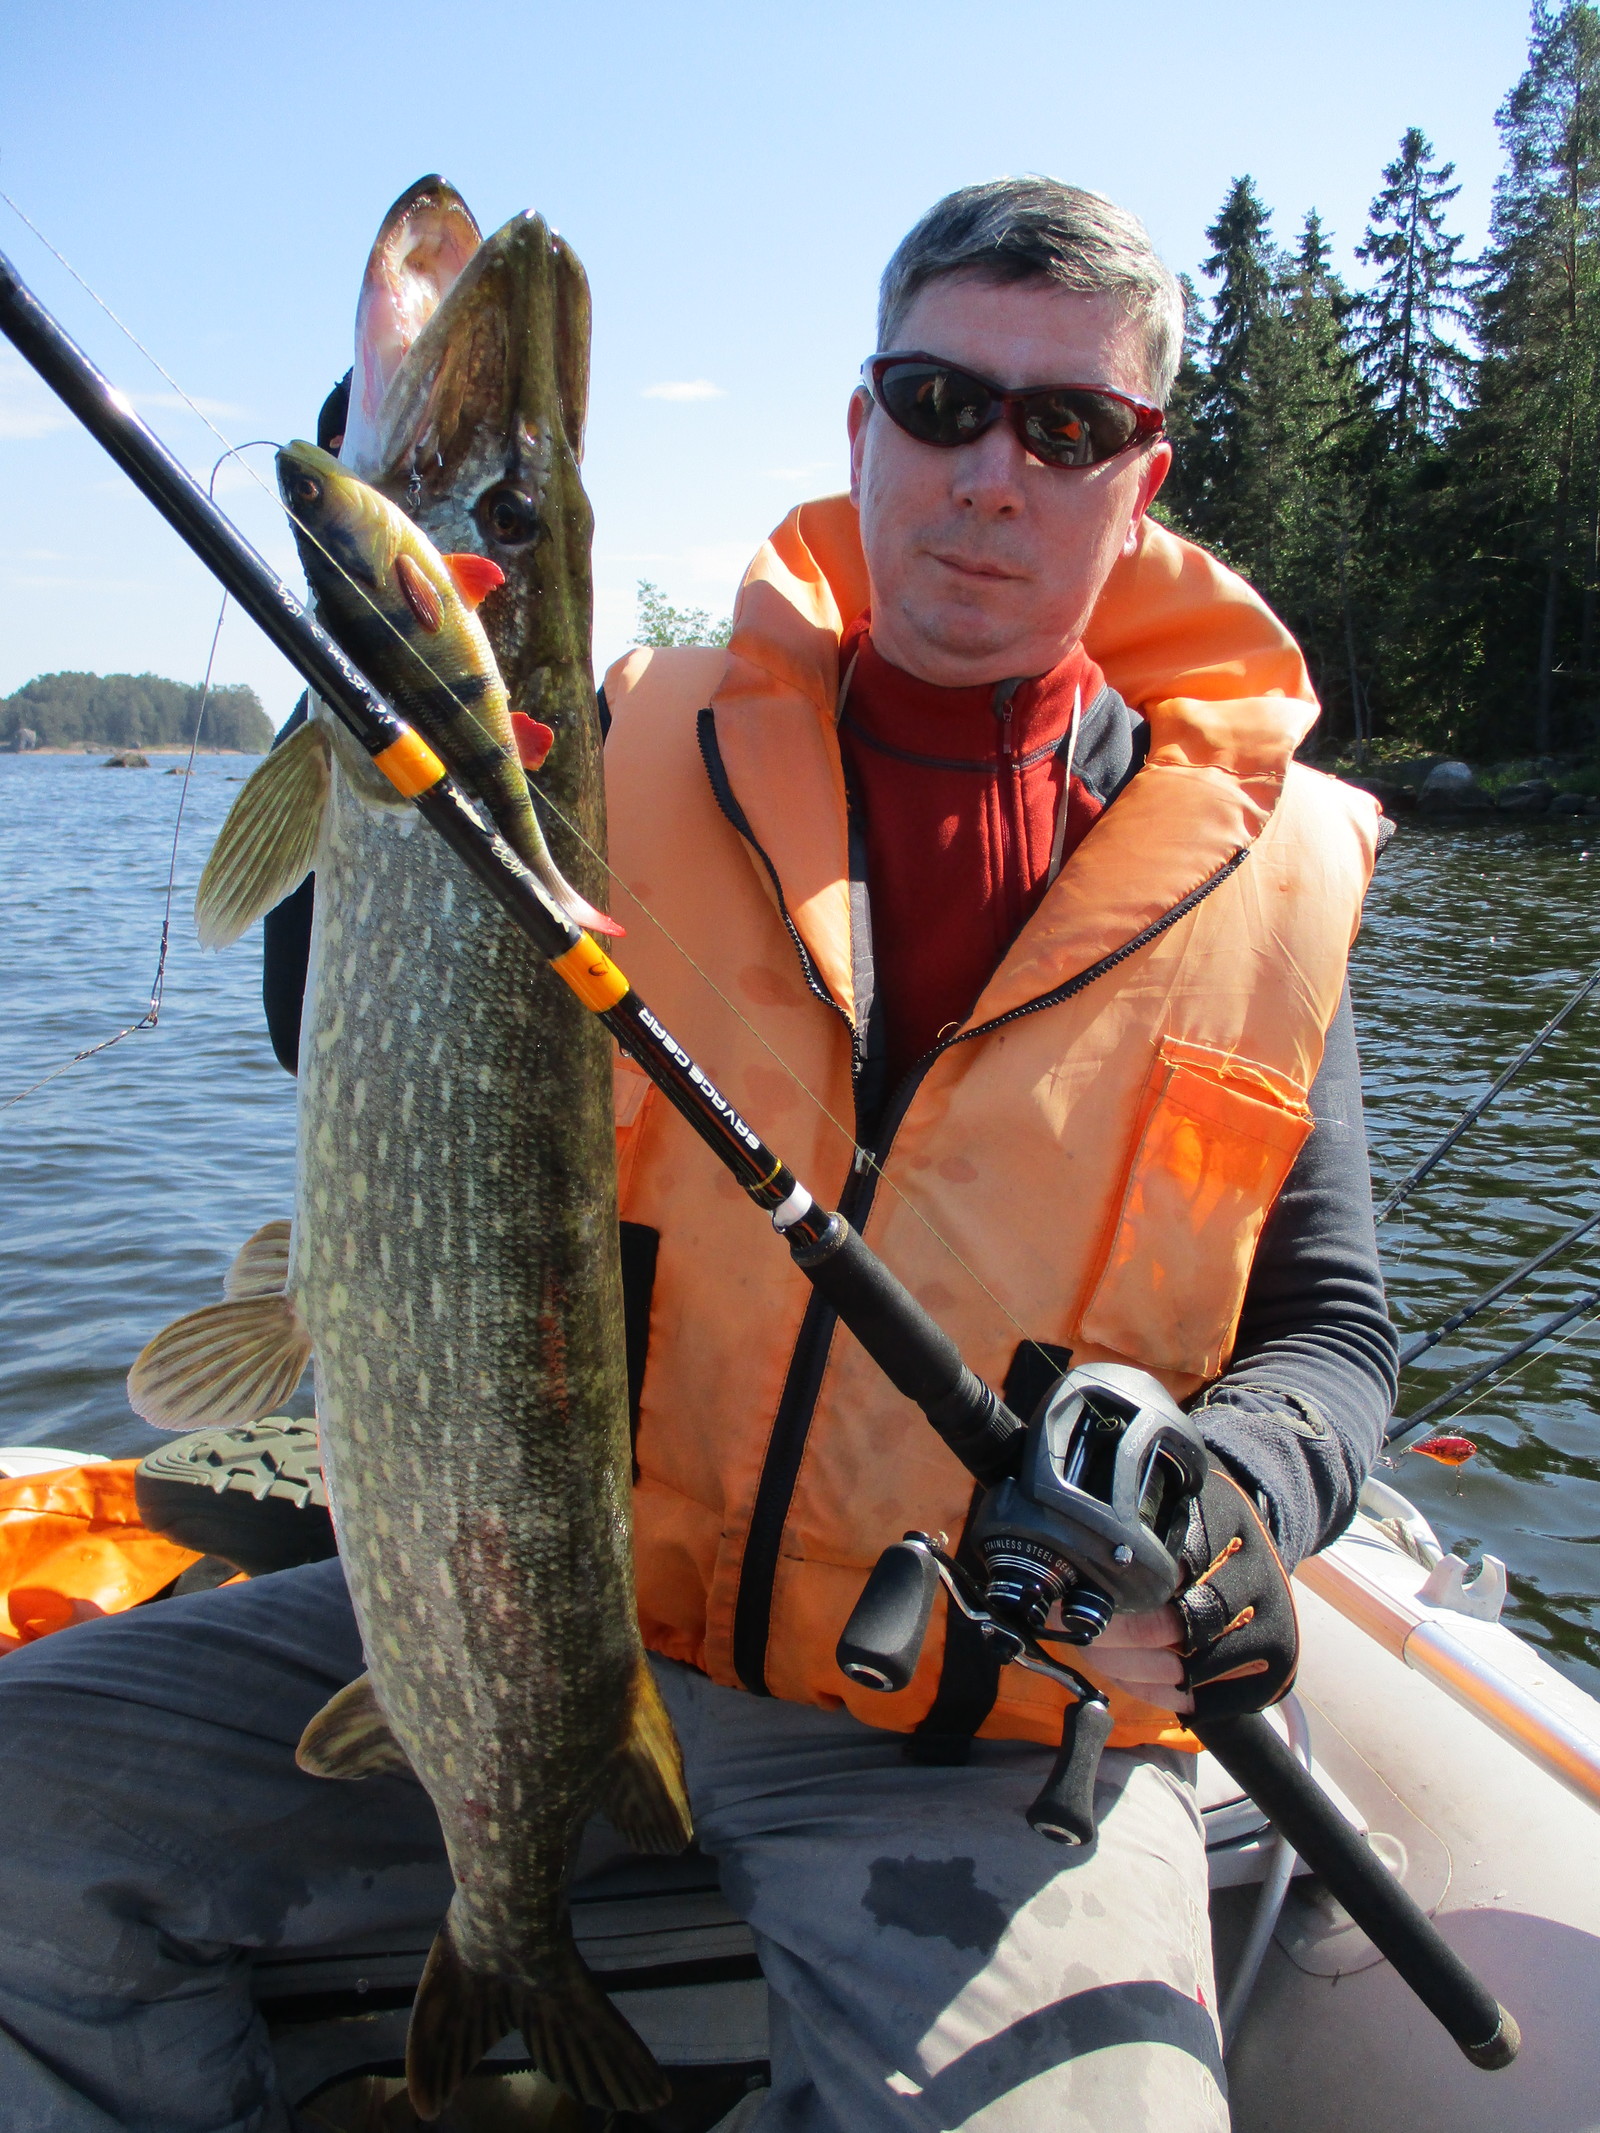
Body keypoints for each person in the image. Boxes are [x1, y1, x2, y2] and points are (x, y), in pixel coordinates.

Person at [0, 178, 1396, 2133]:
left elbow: (1329, 1334)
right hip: (546, 1609)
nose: (988, 472)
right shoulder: (598, 734)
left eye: (1061, 426)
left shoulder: (1274, 878)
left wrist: (1226, 1483)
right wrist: (378, 641)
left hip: (966, 1741)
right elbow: (335, 1025)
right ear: (858, 424)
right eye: (936, 400)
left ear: (1135, 473)